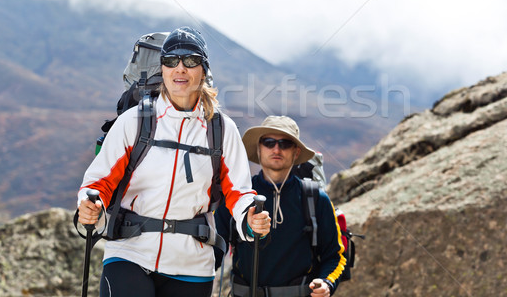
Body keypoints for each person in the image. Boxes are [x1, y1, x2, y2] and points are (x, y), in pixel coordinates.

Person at [76, 26, 271, 297]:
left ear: (203, 70)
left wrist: (249, 219)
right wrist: (89, 205)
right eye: (171, 61)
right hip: (129, 253)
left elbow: (238, 192)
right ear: (163, 69)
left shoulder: (221, 130)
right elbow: (99, 183)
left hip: (192, 265)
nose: (180, 68)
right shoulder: (133, 122)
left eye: (190, 61)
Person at [215, 115, 346, 297]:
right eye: (269, 142)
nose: (276, 149)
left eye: (285, 143)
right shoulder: (238, 197)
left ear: (296, 152)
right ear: (259, 149)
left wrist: (326, 282)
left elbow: (335, 256)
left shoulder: (315, 199)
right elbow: (214, 248)